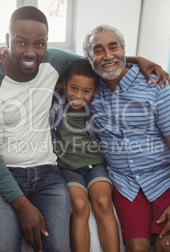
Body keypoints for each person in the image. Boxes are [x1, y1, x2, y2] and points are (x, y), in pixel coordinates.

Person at [0, 6, 170, 251]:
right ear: (7, 40)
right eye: (20, 43)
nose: (31, 52)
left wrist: (139, 60)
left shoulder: (54, 60)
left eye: (39, 44)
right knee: (3, 245)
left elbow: (98, 63)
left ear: (47, 43)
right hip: (0, 175)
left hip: (47, 174)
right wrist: (21, 204)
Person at [83, 24, 170, 252]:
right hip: (125, 185)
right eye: (98, 50)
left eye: (114, 48)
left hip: (164, 180)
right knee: (137, 248)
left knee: (169, 247)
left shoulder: (157, 85)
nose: (108, 55)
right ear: (89, 58)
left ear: (123, 50)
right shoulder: (90, 91)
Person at [49, 58, 119, 251]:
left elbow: (115, 69)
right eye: (73, 88)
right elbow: (37, 81)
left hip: (95, 165)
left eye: (86, 91)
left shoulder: (98, 103)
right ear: (65, 84)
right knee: (79, 205)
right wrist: (60, 85)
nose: (78, 96)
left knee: (104, 202)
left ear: (95, 91)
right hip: (68, 167)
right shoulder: (56, 100)